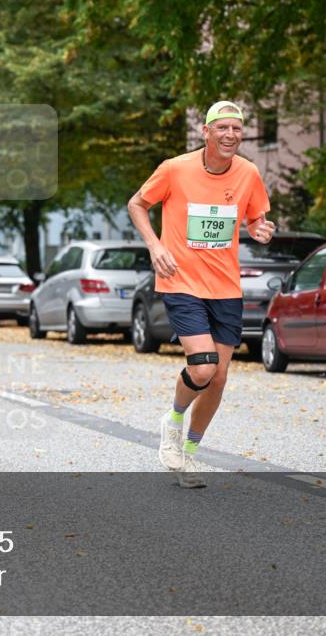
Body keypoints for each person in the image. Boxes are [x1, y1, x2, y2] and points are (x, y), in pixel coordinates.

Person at [127, 100, 275, 488]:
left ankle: (189, 454)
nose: (230, 135)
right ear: (205, 132)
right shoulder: (175, 169)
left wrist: (259, 228)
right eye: (222, 128)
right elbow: (137, 204)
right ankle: (173, 419)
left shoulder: (248, 173)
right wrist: (155, 246)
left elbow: (255, 216)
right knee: (204, 367)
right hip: (181, 282)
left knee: (220, 378)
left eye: (237, 129)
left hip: (225, 287)